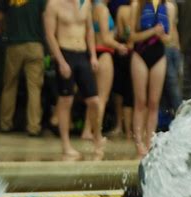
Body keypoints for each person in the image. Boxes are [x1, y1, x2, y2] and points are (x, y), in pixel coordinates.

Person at [43, 0, 104, 160]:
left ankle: (97, 136)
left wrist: (93, 56)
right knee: (65, 101)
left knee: (94, 101)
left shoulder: (85, 4)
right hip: (65, 52)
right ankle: (66, 145)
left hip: (82, 54)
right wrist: (61, 61)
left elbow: (89, 30)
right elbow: (50, 35)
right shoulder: (54, 5)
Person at [81, 0, 128, 141]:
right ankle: (97, 134)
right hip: (104, 53)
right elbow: (106, 38)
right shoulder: (102, 10)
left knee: (93, 97)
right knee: (102, 98)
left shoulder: (90, 8)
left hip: (93, 53)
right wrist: (120, 46)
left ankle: (87, 131)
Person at [0, 0, 45, 137]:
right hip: (35, 44)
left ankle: (5, 124)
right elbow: (45, 17)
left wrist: (4, 30)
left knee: (9, 85)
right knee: (34, 88)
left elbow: (0, 17)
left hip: (14, 44)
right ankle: (34, 127)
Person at [130, 0, 171, 157]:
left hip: (159, 55)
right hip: (140, 54)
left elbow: (170, 38)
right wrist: (153, 32)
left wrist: (162, 36)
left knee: (154, 103)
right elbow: (132, 36)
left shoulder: (169, 7)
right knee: (140, 102)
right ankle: (139, 142)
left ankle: (149, 142)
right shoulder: (137, 5)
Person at [110, 0, 134, 139]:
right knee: (131, 93)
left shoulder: (122, 10)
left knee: (120, 91)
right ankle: (130, 129)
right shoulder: (145, 10)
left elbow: (120, 32)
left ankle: (120, 126)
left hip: (123, 51)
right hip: (136, 51)